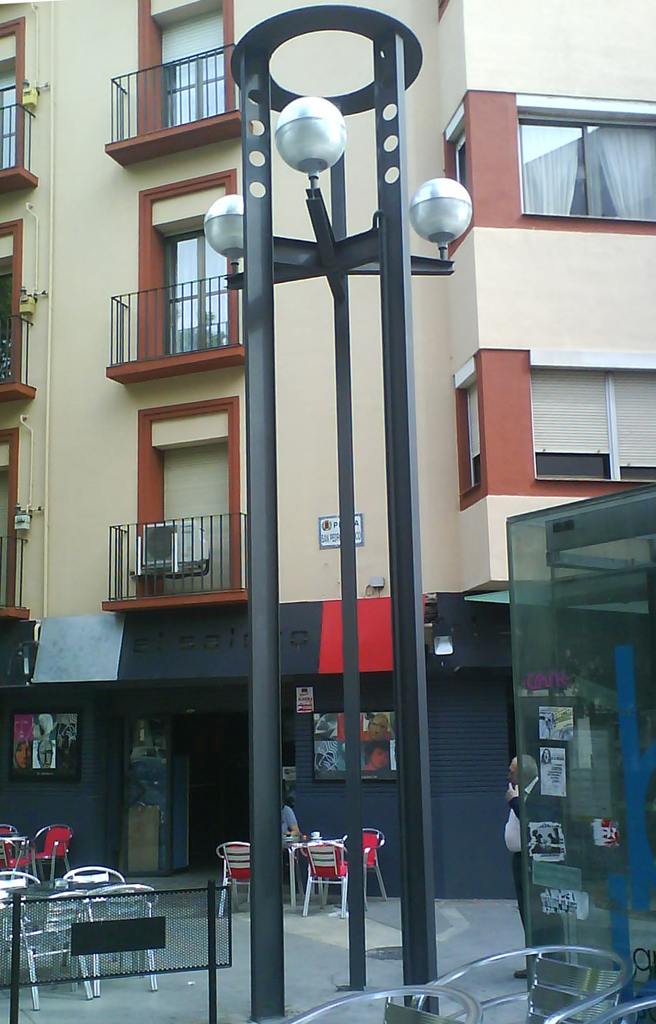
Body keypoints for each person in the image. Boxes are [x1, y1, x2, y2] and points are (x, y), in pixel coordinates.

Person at [504, 754, 538, 979]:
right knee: (525, 913)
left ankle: (539, 963)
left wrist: (514, 802)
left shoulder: (537, 794)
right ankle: (532, 960)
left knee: (532, 912)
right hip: (519, 858)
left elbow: (530, 820)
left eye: (512, 771)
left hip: (531, 860)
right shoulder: (522, 792)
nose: (509, 776)